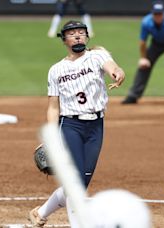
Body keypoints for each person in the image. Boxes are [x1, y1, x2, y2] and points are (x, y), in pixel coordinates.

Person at [28, 20, 125, 227]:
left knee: (81, 182)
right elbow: (53, 107)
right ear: (64, 40)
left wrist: (118, 73)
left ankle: (41, 213)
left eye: (81, 32)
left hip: (96, 127)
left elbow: (113, 67)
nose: (78, 36)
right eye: (72, 33)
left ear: (87, 37)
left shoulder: (96, 56)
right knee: (75, 185)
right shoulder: (56, 70)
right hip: (70, 126)